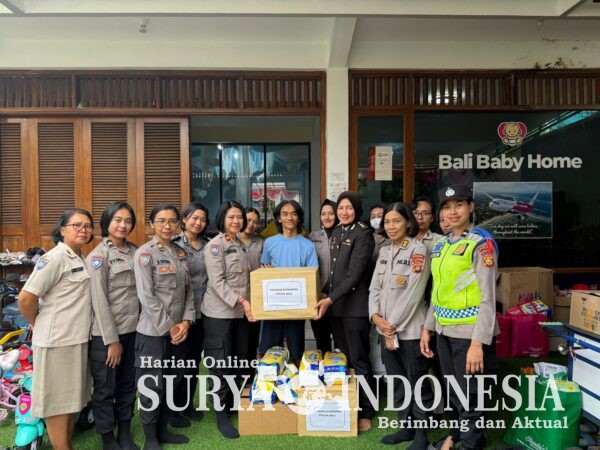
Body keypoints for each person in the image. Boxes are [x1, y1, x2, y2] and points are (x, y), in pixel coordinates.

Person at [420, 185, 499, 450]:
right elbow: (438, 291)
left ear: (471, 207)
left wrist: (478, 343)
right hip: (444, 331)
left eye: (459, 205)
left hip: (469, 333)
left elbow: (488, 298)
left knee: (470, 394)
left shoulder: (480, 245)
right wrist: (428, 328)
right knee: (453, 390)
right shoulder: (442, 245)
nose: (453, 212)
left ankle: (470, 443)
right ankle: (456, 435)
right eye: (447, 207)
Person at [18, 208, 95, 450]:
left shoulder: (79, 257)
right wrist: (36, 323)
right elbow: (26, 298)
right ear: (62, 230)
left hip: (75, 339)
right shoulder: (54, 258)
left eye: (87, 225)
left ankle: (65, 444)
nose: (83, 229)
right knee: (57, 404)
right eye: (76, 225)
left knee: (70, 401)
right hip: (57, 341)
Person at [369, 202, 430, 449]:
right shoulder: (384, 251)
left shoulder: (418, 250)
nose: (391, 226)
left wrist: (390, 327)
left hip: (410, 331)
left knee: (417, 382)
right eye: (387, 222)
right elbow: (374, 289)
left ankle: (421, 435)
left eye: (396, 221)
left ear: (407, 222)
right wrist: (376, 318)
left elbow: (414, 294)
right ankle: (406, 427)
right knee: (398, 382)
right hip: (385, 330)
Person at [134, 204, 195, 450]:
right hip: (153, 333)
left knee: (172, 380)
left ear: (179, 224)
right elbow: (146, 296)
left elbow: (189, 291)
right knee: (152, 384)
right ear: (152, 224)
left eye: (172, 221)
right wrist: (170, 327)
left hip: (179, 331)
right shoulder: (145, 254)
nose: (167, 226)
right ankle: (150, 439)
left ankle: (163, 431)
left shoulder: (180, 253)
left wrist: (187, 321)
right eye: (161, 221)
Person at [314, 191, 376, 432]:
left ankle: (367, 410)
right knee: (345, 358)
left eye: (349, 207)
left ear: (357, 209)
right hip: (337, 307)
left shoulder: (363, 233)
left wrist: (329, 298)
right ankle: (351, 405)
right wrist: (324, 296)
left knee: (359, 360)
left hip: (355, 309)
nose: (344, 212)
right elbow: (332, 273)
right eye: (341, 207)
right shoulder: (338, 232)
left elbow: (355, 274)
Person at [86, 202, 140, 450]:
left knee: (128, 384)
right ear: (107, 222)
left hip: (134, 330)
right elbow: (99, 301)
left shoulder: (136, 251)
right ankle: (108, 438)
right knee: (106, 388)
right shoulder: (98, 257)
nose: (123, 225)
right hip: (108, 336)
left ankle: (125, 432)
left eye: (128, 221)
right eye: (117, 220)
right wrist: (112, 341)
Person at [202, 200, 254, 439]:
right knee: (221, 364)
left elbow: (245, 279)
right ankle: (221, 415)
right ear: (222, 219)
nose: (236, 221)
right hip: (220, 315)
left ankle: (233, 403)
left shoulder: (240, 244)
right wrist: (242, 301)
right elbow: (217, 282)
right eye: (231, 217)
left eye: (239, 217)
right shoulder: (215, 246)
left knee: (238, 360)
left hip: (240, 315)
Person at [259, 200, 318, 363]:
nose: (289, 218)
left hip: (296, 306)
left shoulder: (308, 246)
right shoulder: (269, 243)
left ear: (299, 218)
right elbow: (264, 271)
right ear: (279, 218)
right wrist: (266, 270)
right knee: (270, 352)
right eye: (284, 214)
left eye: (293, 214)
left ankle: (297, 377)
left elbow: (312, 276)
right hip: (273, 306)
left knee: (296, 352)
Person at [172, 202, 210, 425]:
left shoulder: (209, 245)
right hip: (180, 314)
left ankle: (187, 404)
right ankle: (172, 409)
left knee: (193, 362)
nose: (198, 222)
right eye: (194, 218)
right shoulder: (174, 244)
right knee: (178, 363)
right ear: (184, 219)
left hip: (203, 313)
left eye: (202, 219)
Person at [308, 199, 338, 354]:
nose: (327, 217)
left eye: (331, 213)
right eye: (323, 214)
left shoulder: (344, 235)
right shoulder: (313, 236)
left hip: (339, 296)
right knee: (321, 340)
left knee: (341, 341)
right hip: (319, 296)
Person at [238, 207, 264, 363]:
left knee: (252, 340)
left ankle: (250, 372)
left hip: (255, 298)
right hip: (235, 297)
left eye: (255, 222)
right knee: (237, 341)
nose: (251, 224)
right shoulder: (230, 240)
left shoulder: (261, 242)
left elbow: (265, 265)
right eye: (248, 220)